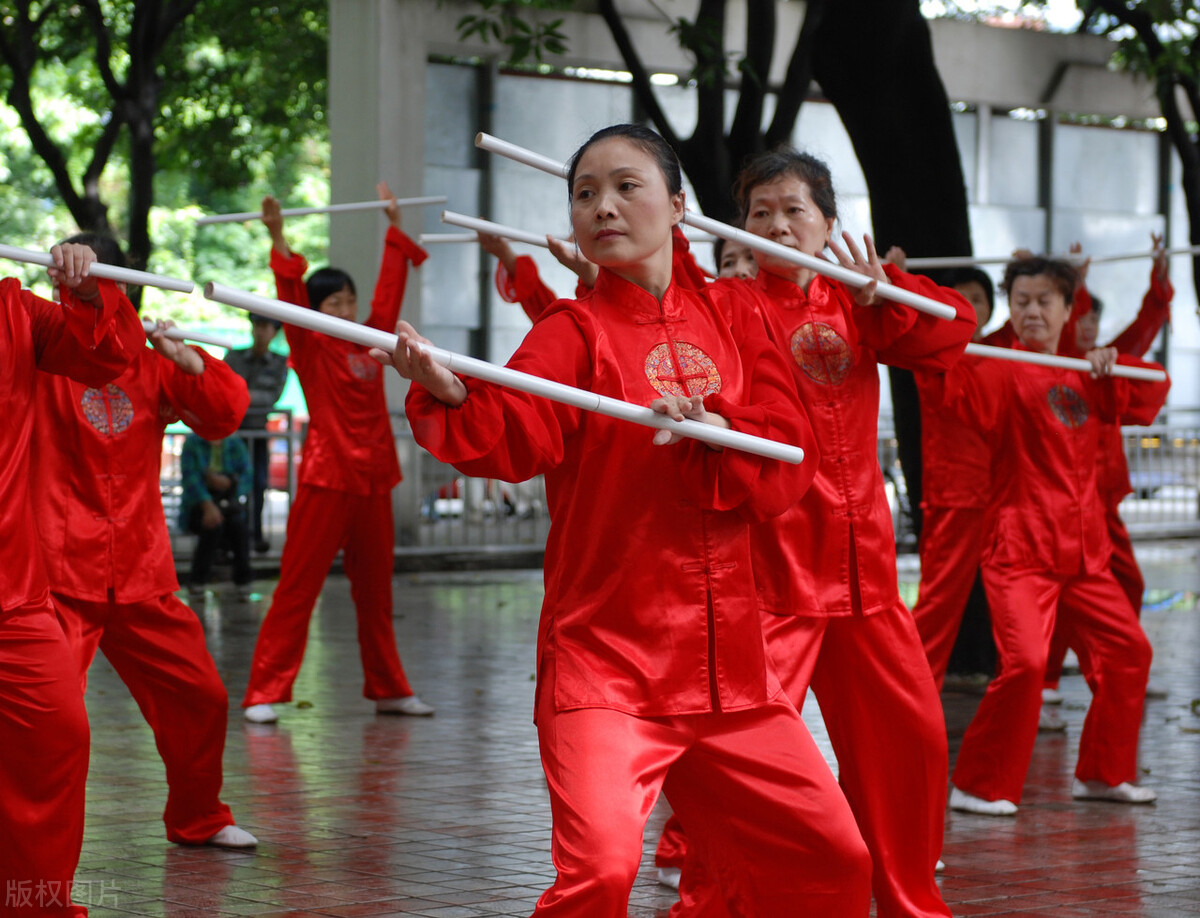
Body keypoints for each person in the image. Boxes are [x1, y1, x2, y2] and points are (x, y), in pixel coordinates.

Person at [374, 124, 872, 917]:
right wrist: (452, 391)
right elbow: (514, 429)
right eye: (584, 193)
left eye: (625, 187)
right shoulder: (571, 332)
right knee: (601, 875)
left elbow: (788, 459)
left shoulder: (740, 319)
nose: (602, 207)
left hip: (732, 680)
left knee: (834, 862)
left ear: (678, 206)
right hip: (607, 667)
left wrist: (720, 425)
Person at [735, 147, 975, 917]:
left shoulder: (853, 303)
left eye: (793, 210)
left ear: (829, 224)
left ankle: (907, 897)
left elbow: (952, 334)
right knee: (746, 752)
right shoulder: (729, 306)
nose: (776, 224)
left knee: (913, 743)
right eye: (760, 211)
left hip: (866, 575)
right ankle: (716, 888)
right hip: (774, 576)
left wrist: (889, 289)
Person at [31, 232, 257, 851]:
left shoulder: (151, 358)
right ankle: (34, 853)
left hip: (139, 572)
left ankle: (198, 816)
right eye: (72, 278)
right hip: (56, 576)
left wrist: (192, 363)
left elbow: (223, 415)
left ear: (125, 287)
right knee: (53, 723)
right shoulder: (37, 346)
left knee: (202, 697)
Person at [931, 257, 1168, 816]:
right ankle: (979, 784)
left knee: (1130, 652)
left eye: (1043, 301)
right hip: (1021, 550)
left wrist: (1110, 363)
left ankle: (1104, 774)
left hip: (1084, 555)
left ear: (1069, 308)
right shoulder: (999, 365)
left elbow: (1154, 387)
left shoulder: (1087, 370)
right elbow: (948, 379)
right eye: (1021, 301)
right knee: (1027, 663)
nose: (1031, 311)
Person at [241, 183, 434, 724]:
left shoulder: (373, 338)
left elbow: (389, 294)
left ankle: (390, 688)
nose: (346, 308)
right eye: (334, 303)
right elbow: (288, 290)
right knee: (297, 589)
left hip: (375, 477)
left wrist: (394, 229)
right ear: (317, 309)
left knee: (376, 595)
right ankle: (264, 691)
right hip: (328, 476)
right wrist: (278, 235)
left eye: (349, 299)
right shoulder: (310, 341)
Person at [1, 242, 142, 918]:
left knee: (58, 733)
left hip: (14, 591)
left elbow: (106, 357)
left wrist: (87, 292)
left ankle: (36, 905)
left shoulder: (15, 313)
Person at [1041, 236, 1173, 704]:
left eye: (1095, 316)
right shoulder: (1054, 362)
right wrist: (1072, 280)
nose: (1089, 325)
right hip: (1064, 502)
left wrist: (1159, 284)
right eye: (1083, 314)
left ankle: (1119, 673)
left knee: (1128, 584)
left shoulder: (1107, 364)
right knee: (1058, 594)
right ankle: (1047, 681)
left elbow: (1142, 331)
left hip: (1101, 503)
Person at [907, 265, 998, 691]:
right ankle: (916, 692)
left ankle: (1040, 685)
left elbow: (1048, 324)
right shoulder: (935, 354)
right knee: (940, 603)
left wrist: (1033, 275)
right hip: (957, 497)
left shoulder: (1005, 350)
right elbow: (907, 323)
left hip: (1011, 495)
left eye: (977, 300)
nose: (968, 308)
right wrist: (900, 277)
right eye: (956, 301)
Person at [224, 313, 289, 552]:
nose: (261, 331)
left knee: (258, 485)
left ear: (274, 332)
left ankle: (255, 534)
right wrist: (246, 396)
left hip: (258, 434)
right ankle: (229, 540)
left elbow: (271, 398)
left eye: (266, 326)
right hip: (232, 434)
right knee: (228, 485)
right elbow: (225, 391)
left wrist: (241, 395)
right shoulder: (234, 356)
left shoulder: (279, 362)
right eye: (257, 326)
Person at [180, 432, 254, 599]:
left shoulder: (234, 443)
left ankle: (244, 581)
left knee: (238, 525)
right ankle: (198, 580)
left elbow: (247, 475)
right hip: (199, 503)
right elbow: (190, 480)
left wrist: (230, 483)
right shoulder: (193, 443)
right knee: (213, 525)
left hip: (229, 500)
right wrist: (207, 505)